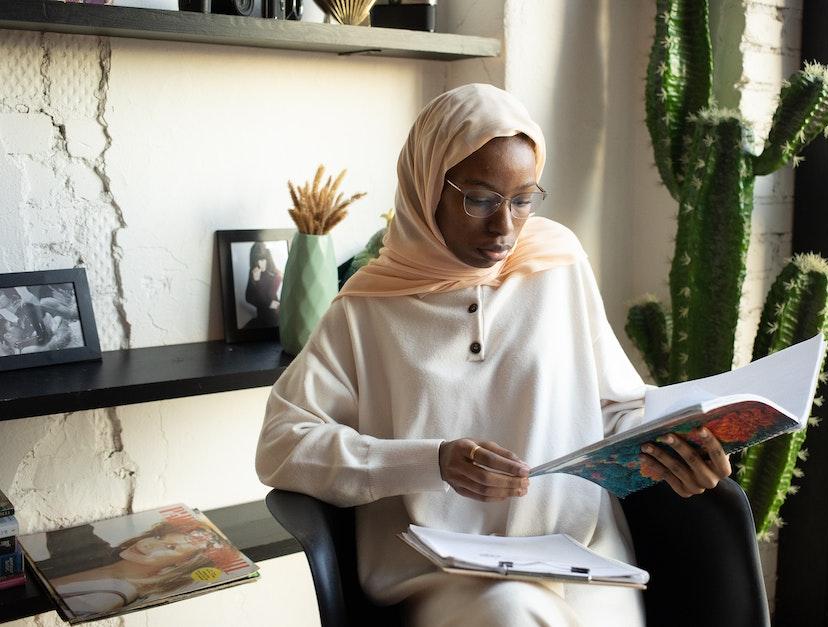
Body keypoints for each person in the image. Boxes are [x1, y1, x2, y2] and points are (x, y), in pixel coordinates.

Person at [255, 83, 732, 627]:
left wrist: (684, 449)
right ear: (427, 186)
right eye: (479, 198)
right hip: (445, 575)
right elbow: (281, 446)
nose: (504, 225)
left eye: (524, 199)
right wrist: (431, 461)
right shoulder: (367, 308)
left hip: (583, 558)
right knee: (507, 615)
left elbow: (614, 409)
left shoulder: (559, 269)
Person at [36, 520, 225, 617]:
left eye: (170, 548)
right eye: (159, 538)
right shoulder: (102, 553)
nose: (147, 545)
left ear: (177, 566)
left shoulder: (110, 596)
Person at [243, 242, 282, 329]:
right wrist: (255, 280)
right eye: (258, 260)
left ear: (268, 258)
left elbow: (270, 299)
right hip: (261, 315)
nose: (261, 264)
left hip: (273, 317)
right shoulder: (253, 272)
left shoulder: (275, 275)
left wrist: (257, 283)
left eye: (263, 260)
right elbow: (248, 298)